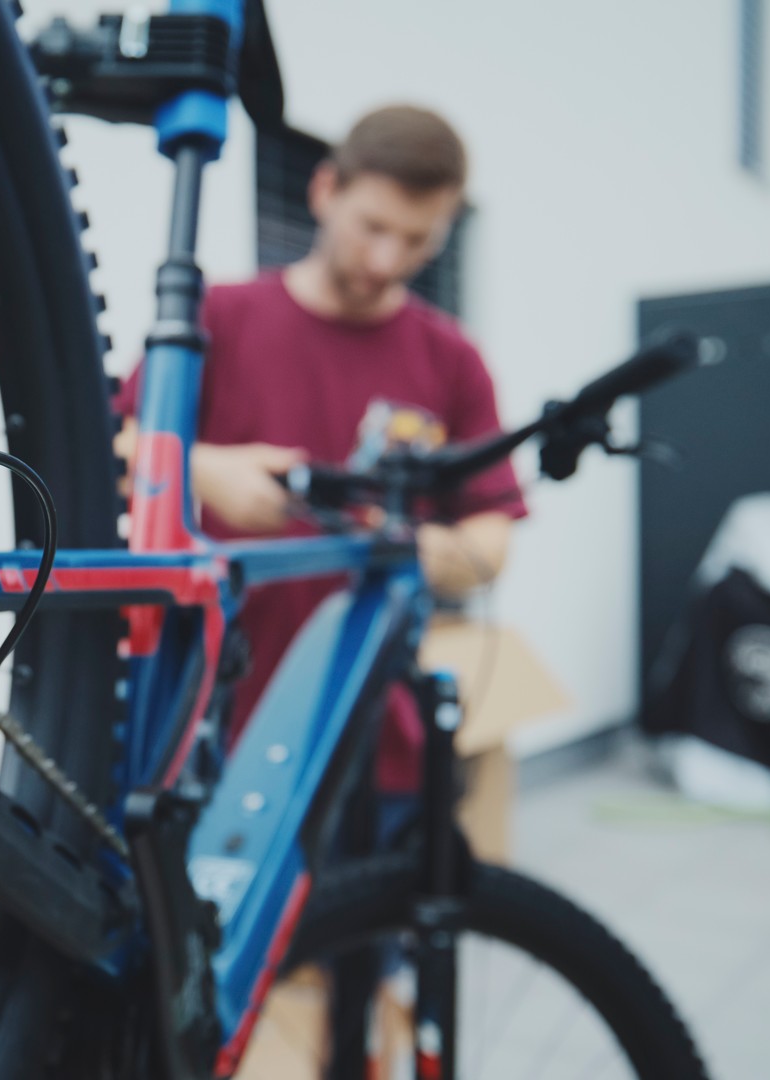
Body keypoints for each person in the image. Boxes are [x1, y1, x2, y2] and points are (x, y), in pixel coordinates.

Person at [114, 104, 526, 796]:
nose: (388, 260)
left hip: (373, 747)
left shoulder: (453, 360)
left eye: (418, 240)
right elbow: (111, 446)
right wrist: (204, 472)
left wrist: (399, 544)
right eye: (373, 228)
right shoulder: (220, 318)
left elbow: (491, 542)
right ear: (325, 190)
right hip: (206, 731)